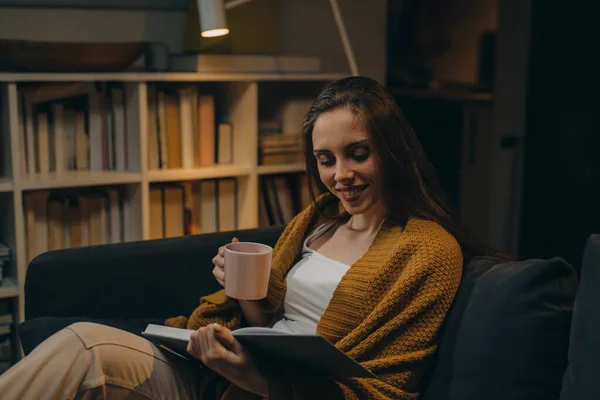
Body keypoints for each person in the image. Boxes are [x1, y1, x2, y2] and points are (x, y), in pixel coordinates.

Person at [0, 76, 502, 399]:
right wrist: (246, 302)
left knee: (87, 356)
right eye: (326, 160)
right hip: (227, 373)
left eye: (357, 153)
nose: (340, 175)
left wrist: (250, 376)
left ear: (392, 152)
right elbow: (273, 321)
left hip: (257, 389)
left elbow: (382, 388)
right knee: (81, 343)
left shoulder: (427, 251)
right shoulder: (318, 219)